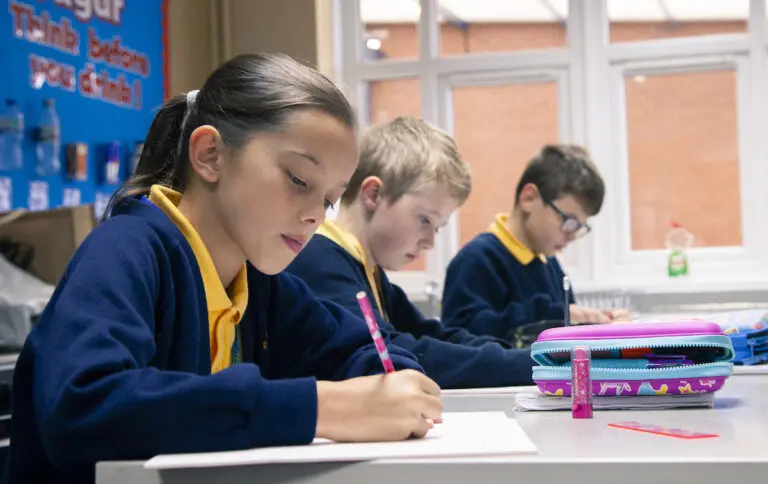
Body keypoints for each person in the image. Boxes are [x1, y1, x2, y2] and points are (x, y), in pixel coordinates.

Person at [7, 53, 442, 484]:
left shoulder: (257, 284)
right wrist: (319, 408)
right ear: (211, 154)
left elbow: (364, 347)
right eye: (297, 179)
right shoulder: (125, 250)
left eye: (329, 199)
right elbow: (83, 408)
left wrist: (392, 385)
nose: (316, 215)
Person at [286, 116, 535, 389]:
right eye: (425, 220)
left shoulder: (367, 269)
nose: (429, 242)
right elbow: (401, 353)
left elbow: (433, 335)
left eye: (437, 228)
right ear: (373, 195)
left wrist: (520, 356)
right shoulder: (319, 261)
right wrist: (525, 364)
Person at [442, 144, 625, 341]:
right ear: (529, 198)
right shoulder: (476, 261)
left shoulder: (550, 264)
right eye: (569, 221)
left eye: (580, 227)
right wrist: (552, 317)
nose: (572, 235)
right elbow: (461, 339)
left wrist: (596, 323)